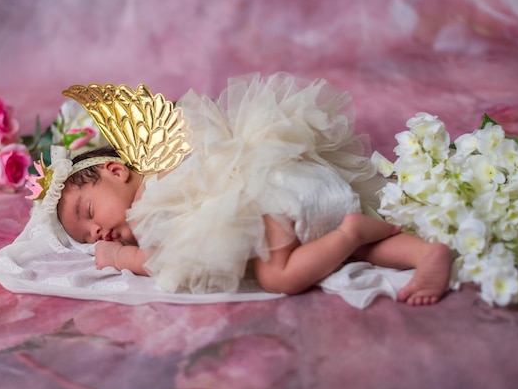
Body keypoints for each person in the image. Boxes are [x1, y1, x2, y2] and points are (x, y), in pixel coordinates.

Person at [55, 73, 453, 306]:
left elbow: (165, 259)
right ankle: (426, 253)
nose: (94, 234)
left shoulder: (154, 193)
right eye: (86, 236)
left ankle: (353, 230)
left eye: (88, 213)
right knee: (343, 255)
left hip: (272, 196)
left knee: (279, 276)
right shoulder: (158, 186)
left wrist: (121, 255)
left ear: (116, 170)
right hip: (301, 194)